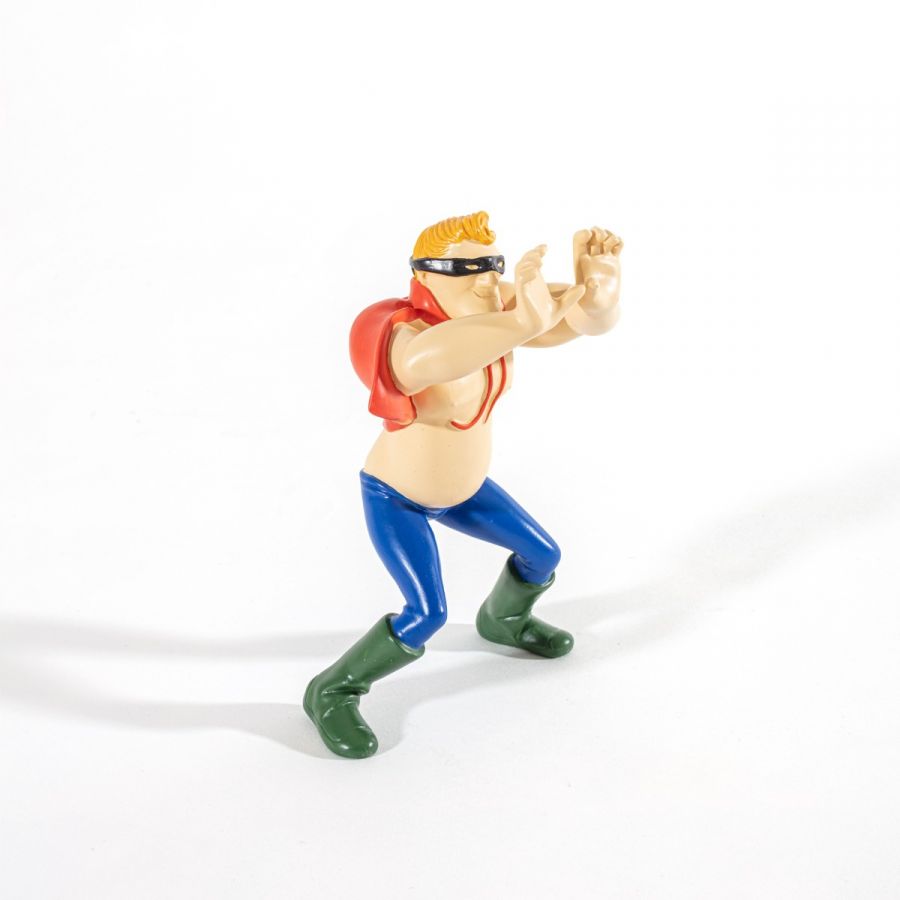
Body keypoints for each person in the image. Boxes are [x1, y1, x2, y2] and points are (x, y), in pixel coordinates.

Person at [304, 211, 623, 758]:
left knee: (543, 554)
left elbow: (577, 321)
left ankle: (504, 619)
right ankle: (333, 690)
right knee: (426, 613)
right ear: (423, 275)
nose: (484, 279)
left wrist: (599, 288)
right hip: (398, 497)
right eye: (464, 268)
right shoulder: (399, 332)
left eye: (492, 265)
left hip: (466, 489)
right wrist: (522, 320)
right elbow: (430, 361)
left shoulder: (499, 310)